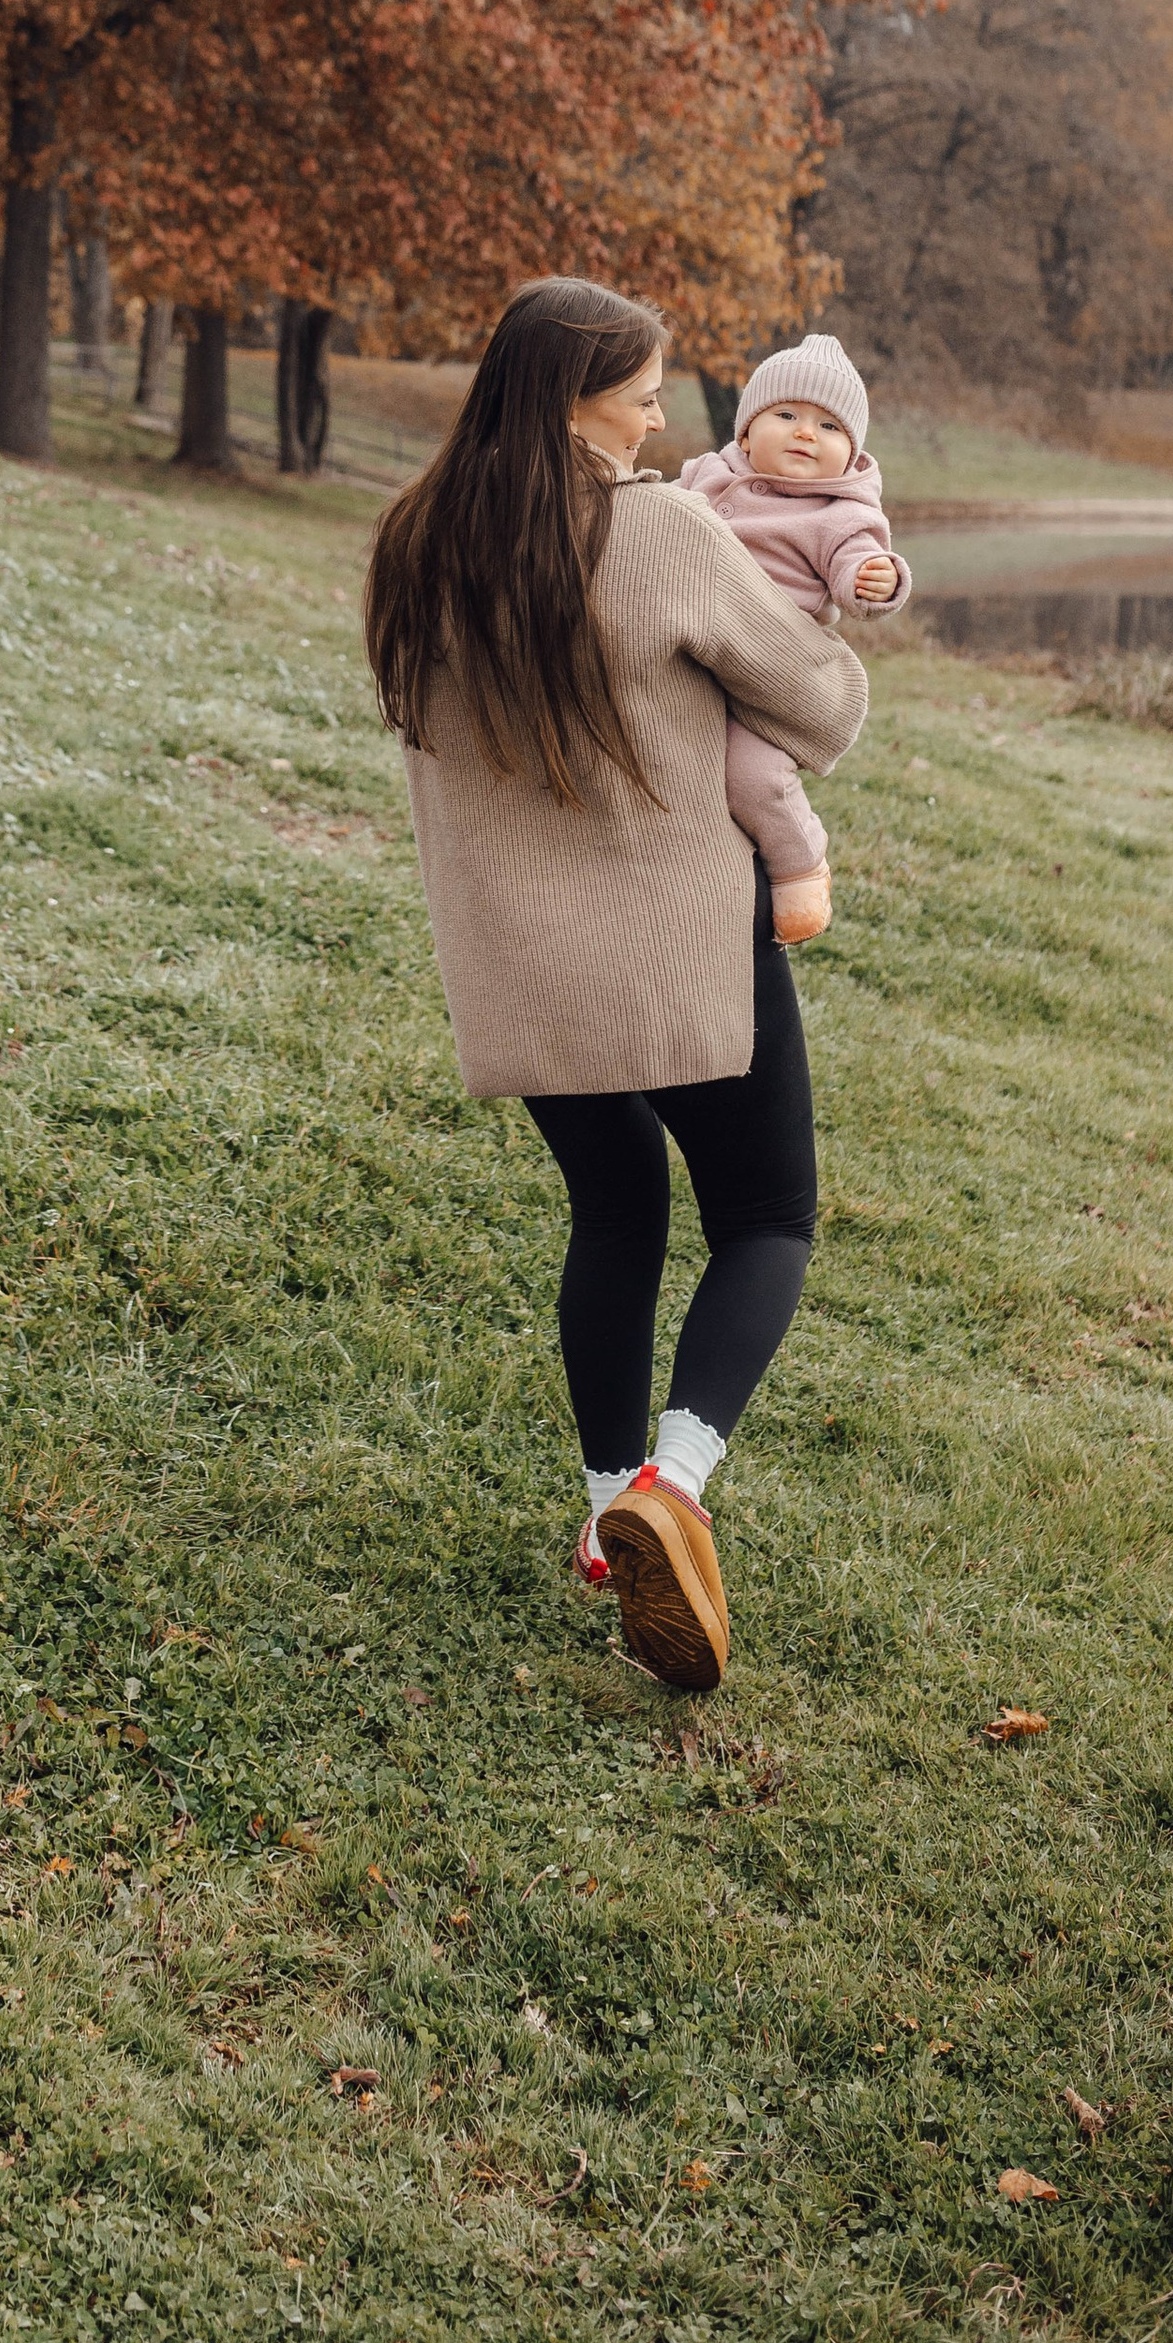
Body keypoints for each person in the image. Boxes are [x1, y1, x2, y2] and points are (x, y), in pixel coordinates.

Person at [364, 277, 866, 1690]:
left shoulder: (415, 541)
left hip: (521, 968)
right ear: (574, 402)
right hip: (682, 945)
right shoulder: (658, 530)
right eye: (641, 397)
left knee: (617, 1205)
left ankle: (604, 1513)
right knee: (766, 1217)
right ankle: (674, 1485)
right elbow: (819, 702)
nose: (657, 421)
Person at [675, 334, 911, 949]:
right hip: (692, 651)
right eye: (786, 415)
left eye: (829, 426)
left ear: (851, 453)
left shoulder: (840, 514)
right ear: (746, 431)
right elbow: (659, 522)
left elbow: (857, 565)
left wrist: (876, 579)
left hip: (770, 676)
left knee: (753, 778)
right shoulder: (705, 475)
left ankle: (799, 865)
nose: (806, 433)